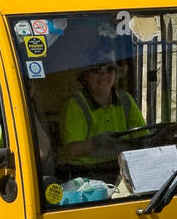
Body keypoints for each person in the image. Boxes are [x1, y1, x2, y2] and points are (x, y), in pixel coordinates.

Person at [61, 46, 146, 182]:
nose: (104, 75)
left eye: (110, 69)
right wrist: (97, 142)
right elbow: (70, 150)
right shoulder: (76, 105)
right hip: (86, 176)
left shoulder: (125, 99)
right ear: (86, 76)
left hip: (122, 170)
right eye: (97, 70)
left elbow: (142, 136)